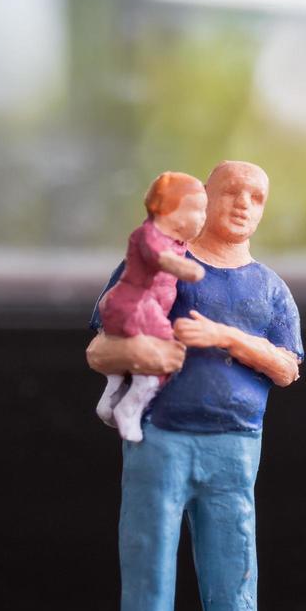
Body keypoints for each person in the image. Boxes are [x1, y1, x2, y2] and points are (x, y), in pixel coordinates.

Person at [86, 160, 303, 611]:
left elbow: (286, 368)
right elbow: (99, 351)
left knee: (234, 566)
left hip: (236, 444)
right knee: (149, 562)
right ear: (204, 197)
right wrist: (147, 356)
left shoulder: (270, 289)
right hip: (161, 437)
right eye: (231, 192)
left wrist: (226, 336)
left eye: (257, 196)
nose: (242, 204)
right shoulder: (161, 265)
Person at [94, 172, 207, 443]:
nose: (204, 218)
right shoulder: (148, 235)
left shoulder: (180, 241)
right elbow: (159, 257)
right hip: (137, 307)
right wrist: (184, 267)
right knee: (166, 358)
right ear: (172, 212)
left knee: (144, 359)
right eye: (199, 211)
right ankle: (128, 407)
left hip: (141, 308)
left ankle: (112, 394)